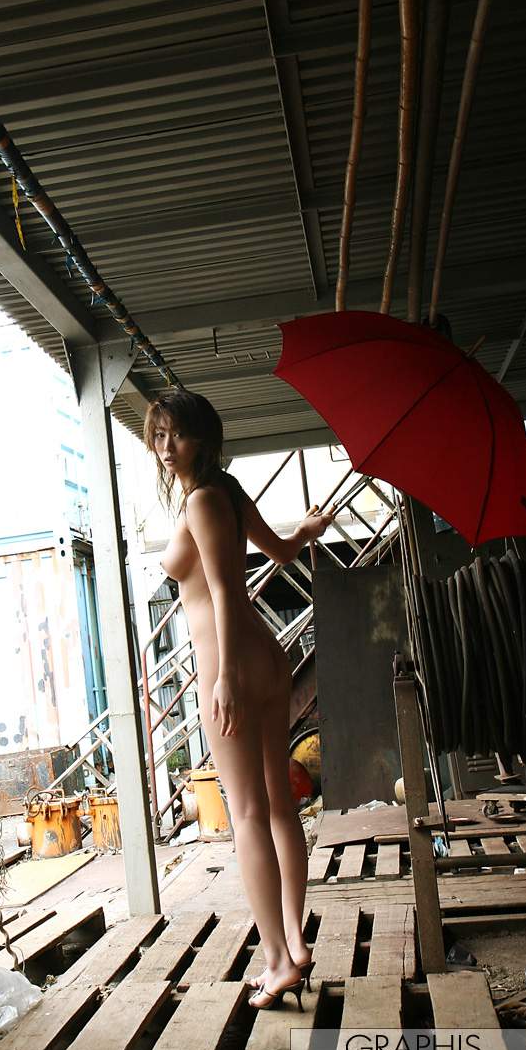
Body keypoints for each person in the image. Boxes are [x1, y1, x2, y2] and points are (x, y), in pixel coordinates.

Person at [145, 387, 333, 1011]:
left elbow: (225, 589)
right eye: (158, 434)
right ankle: (294, 942)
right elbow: (280, 552)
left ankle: (277, 960)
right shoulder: (227, 491)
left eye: (176, 433)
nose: (165, 446)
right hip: (265, 658)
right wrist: (307, 530)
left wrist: (223, 677)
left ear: (203, 437)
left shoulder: (202, 500)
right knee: (277, 803)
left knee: (247, 812)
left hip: (231, 664)